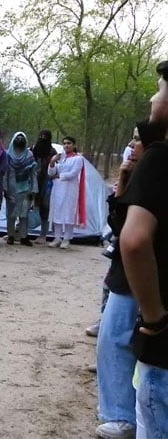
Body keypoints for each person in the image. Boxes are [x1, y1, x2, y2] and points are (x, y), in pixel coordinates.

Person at [95, 120, 166, 439]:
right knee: (112, 339)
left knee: (129, 342)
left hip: (144, 276)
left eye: (137, 140)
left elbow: (134, 238)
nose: (132, 146)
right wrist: (123, 180)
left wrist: (154, 317)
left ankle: (126, 416)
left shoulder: (156, 169)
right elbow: (117, 224)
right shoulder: (137, 176)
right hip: (123, 274)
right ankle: (119, 413)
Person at [119, 60, 168, 439]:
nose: (154, 95)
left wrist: (154, 320)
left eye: (161, 87)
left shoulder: (161, 159)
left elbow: (133, 241)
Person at [47, 136, 86, 249]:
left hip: (70, 189)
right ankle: (57, 237)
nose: (66, 146)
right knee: (57, 211)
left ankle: (67, 238)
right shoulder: (60, 158)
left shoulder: (78, 159)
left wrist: (59, 176)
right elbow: (51, 172)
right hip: (58, 188)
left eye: (69, 143)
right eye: (64, 143)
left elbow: (73, 173)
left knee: (69, 212)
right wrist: (52, 161)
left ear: (74, 145)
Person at [4, 132, 38, 246]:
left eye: (21, 138)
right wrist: (4, 188)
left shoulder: (29, 155)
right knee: (11, 214)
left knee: (24, 214)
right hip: (11, 187)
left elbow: (33, 174)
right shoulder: (8, 154)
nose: (19, 140)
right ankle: (11, 235)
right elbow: (5, 173)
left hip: (26, 188)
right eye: (17, 138)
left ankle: (24, 236)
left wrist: (34, 189)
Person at [31, 129, 57, 244]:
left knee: (44, 206)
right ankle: (19, 230)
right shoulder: (33, 149)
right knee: (26, 204)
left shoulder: (52, 152)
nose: (42, 138)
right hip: (32, 179)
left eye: (45, 136)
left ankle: (43, 233)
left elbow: (56, 168)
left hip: (47, 182)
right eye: (41, 136)